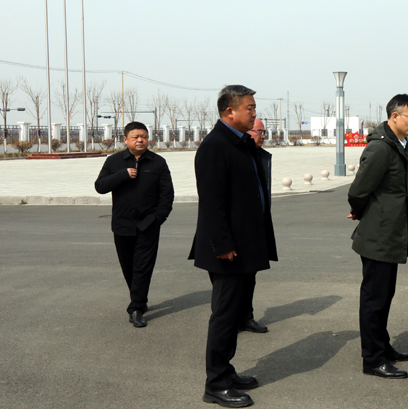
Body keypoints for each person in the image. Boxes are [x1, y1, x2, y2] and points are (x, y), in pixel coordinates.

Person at [189, 85, 277, 408]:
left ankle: (226, 370)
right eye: (249, 108)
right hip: (228, 249)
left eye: (254, 108)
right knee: (225, 316)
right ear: (230, 112)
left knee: (235, 312)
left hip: (245, 244)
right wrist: (223, 243)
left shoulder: (240, 143)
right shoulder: (215, 146)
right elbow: (211, 203)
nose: (254, 113)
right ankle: (216, 384)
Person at [347, 94, 408, 379]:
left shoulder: (398, 145)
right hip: (378, 234)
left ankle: (382, 346)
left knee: (385, 295)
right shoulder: (380, 148)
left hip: (389, 231)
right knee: (374, 299)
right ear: (394, 116)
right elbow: (358, 190)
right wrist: (360, 211)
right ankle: (373, 359)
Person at [94, 121, 174, 328]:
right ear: (125, 139)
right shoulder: (114, 161)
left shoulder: (158, 162)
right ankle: (139, 299)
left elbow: (167, 195)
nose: (140, 140)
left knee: (143, 267)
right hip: (122, 225)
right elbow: (100, 186)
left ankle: (136, 308)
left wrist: (158, 219)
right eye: (136, 137)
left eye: (144, 137)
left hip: (148, 225)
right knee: (128, 266)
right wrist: (122, 174)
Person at [238, 118, 270, 334]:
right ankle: (230, 320)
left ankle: (246, 317)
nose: (263, 136)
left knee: (250, 276)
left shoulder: (260, 156)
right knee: (232, 283)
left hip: (256, 225)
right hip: (238, 228)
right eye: (259, 131)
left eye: (264, 132)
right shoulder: (236, 154)